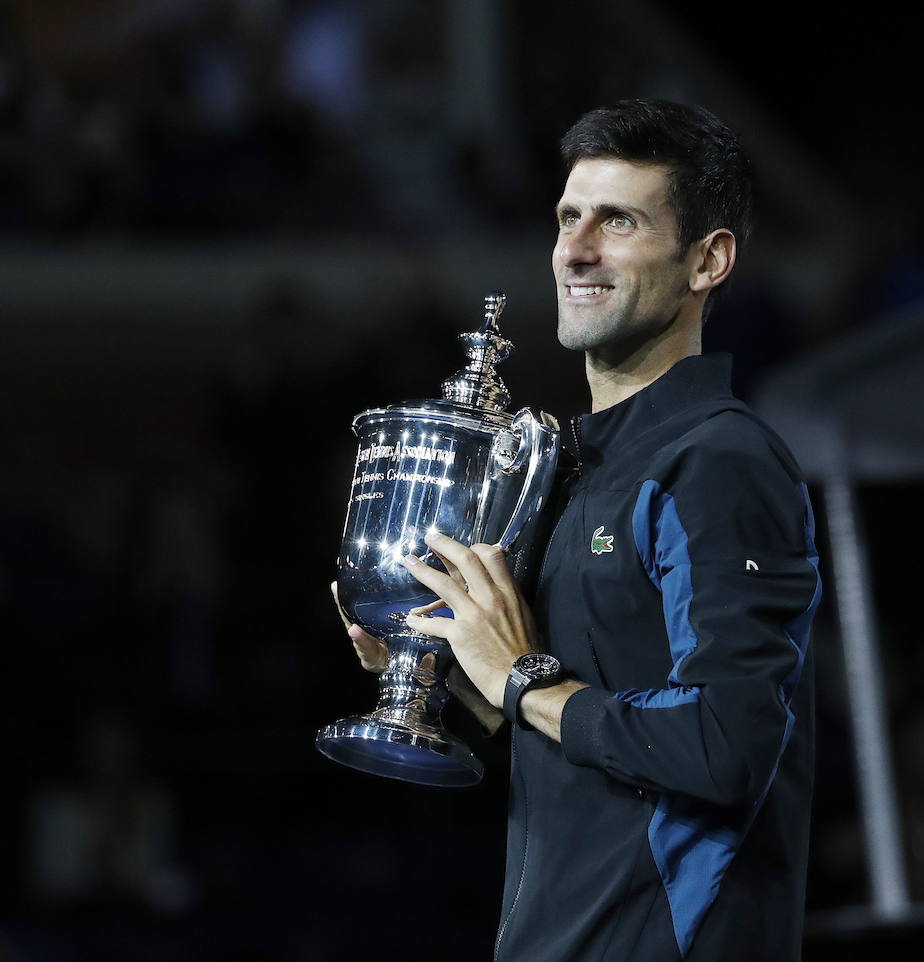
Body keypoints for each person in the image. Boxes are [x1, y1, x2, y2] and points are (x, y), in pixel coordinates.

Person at [338, 98, 822, 961]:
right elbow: (587, 743)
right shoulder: (572, 467)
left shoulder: (719, 461)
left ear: (707, 260)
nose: (578, 249)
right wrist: (441, 675)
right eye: (569, 218)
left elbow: (726, 746)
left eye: (619, 221)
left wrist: (521, 678)